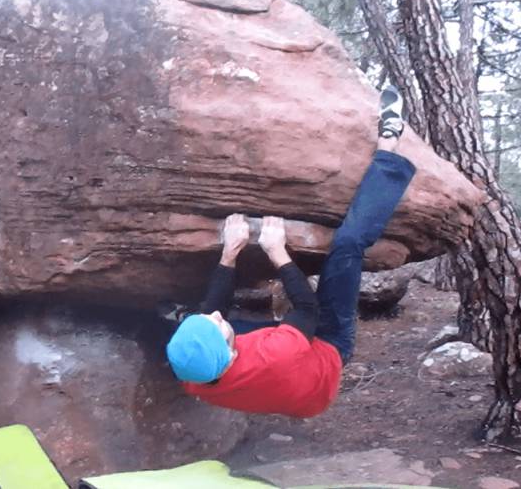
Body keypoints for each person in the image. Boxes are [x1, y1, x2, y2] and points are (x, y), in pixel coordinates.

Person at [165, 86, 417, 418]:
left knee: (202, 317)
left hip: (274, 376)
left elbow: (215, 315)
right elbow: (307, 309)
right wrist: (277, 251)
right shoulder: (277, 353)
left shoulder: (194, 374)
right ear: (230, 352)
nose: (214, 316)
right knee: (347, 245)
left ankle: (185, 319)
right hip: (325, 349)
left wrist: (230, 252)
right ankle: (390, 142)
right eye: (216, 326)